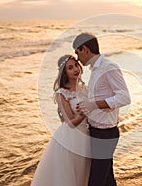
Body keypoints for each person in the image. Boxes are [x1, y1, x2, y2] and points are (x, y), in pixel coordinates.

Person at [73, 33, 131, 186]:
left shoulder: (108, 67)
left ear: (85, 49)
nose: (77, 58)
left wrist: (94, 105)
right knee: (107, 179)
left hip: (106, 134)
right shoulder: (94, 70)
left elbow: (125, 97)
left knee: (96, 181)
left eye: (77, 53)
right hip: (95, 131)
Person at [31, 55, 90, 186]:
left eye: (76, 65)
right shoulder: (61, 93)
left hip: (87, 136)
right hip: (71, 138)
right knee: (70, 173)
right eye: (70, 67)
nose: (75, 69)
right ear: (65, 72)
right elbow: (70, 123)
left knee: (84, 173)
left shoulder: (85, 88)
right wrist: (84, 115)